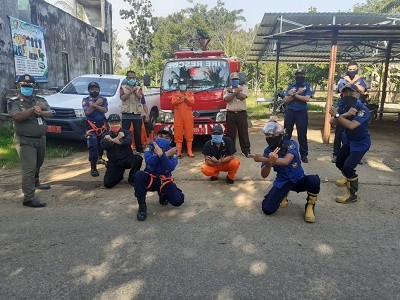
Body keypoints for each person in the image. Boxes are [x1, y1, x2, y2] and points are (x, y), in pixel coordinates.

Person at [252, 120, 320, 223]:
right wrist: (269, 163)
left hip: (299, 179)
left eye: (273, 136)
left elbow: (286, 161)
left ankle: (310, 205)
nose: (270, 139)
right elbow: (264, 175)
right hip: (283, 181)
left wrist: (264, 159)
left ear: (280, 135)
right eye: (267, 136)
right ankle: (283, 194)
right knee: (267, 209)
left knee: (314, 180)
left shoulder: (290, 144)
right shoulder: (267, 151)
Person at [8, 74, 54, 207]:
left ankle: (36, 182)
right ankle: (28, 198)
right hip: (25, 140)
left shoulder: (40, 100)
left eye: (29, 86)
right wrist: (33, 110)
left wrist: (41, 112)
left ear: (33, 87)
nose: (27, 87)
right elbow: (16, 116)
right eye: (24, 85)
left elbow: (52, 113)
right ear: (18, 86)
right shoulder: (14, 102)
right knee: (29, 168)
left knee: (38, 163)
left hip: (41, 138)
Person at [329, 84, 371, 204]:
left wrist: (338, 115)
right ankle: (348, 178)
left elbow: (351, 126)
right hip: (348, 140)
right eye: (345, 94)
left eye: (351, 93)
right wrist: (345, 114)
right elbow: (332, 122)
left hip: (361, 143)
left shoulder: (363, 109)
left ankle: (352, 194)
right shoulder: (343, 105)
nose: (348, 96)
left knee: (348, 167)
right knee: (339, 162)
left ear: (358, 94)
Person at [133, 127, 184, 221]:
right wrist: (164, 154)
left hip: (164, 180)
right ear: (156, 136)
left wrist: (163, 155)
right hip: (151, 178)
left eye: (166, 137)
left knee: (178, 201)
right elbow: (149, 160)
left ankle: (163, 194)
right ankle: (142, 208)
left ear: (171, 140)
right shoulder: (150, 146)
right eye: (161, 136)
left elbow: (170, 166)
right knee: (139, 175)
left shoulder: (173, 150)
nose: (163, 139)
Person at [332, 61, 368, 163]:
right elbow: (341, 89)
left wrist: (351, 83)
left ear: (357, 69)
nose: (352, 71)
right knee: (339, 131)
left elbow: (362, 89)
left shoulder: (360, 80)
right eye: (350, 69)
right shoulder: (342, 79)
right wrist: (354, 84)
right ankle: (336, 154)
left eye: (354, 69)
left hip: (357, 109)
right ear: (347, 70)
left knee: (356, 132)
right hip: (344, 107)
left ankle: (356, 156)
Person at [100, 114, 143, 188]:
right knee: (108, 184)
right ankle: (119, 175)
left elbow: (127, 142)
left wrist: (111, 140)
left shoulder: (126, 132)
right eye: (112, 123)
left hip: (127, 159)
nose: (114, 124)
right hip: (114, 162)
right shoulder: (105, 135)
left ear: (120, 123)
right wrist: (117, 138)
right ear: (108, 124)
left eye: (116, 122)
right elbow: (104, 146)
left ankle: (132, 178)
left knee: (138, 158)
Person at [283, 69, 313, 163]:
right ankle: (284, 151)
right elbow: (285, 100)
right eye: (297, 75)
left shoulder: (306, 86)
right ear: (295, 76)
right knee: (286, 133)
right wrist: (296, 94)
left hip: (301, 112)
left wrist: (294, 95)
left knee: (302, 134)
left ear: (304, 76)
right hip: (290, 111)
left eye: (301, 75)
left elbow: (306, 98)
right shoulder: (291, 86)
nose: (299, 76)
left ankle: (304, 155)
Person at [119, 70, 149, 153]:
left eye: (133, 77)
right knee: (125, 132)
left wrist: (134, 91)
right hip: (126, 113)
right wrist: (130, 92)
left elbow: (140, 97)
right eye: (130, 77)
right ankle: (125, 149)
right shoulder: (123, 87)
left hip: (136, 114)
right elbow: (122, 98)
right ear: (127, 78)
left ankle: (139, 148)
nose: (131, 79)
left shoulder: (139, 88)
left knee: (137, 133)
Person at [82, 81, 108, 177]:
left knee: (105, 144)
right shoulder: (85, 100)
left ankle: (102, 159)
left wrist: (94, 105)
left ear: (99, 90)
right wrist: (96, 105)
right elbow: (87, 112)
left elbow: (105, 110)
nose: (94, 91)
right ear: (89, 90)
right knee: (92, 145)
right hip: (91, 126)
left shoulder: (103, 99)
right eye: (92, 89)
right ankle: (93, 167)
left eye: (96, 89)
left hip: (102, 125)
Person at [223, 72, 251, 157]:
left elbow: (242, 97)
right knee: (231, 134)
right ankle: (231, 151)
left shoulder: (244, 87)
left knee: (243, 132)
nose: (235, 81)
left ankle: (246, 151)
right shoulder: (226, 89)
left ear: (239, 80)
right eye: (233, 80)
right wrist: (236, 91)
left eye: (236, 79)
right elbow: (226, 99)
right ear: (230, 81)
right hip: (230, 113)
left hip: (241, 113)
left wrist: (233, 91)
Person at [171, 78, 195, 158]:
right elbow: (174, 102)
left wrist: (184, 99)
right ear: (179, 85)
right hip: (178, 117)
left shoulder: (190, 94)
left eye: (183, 84)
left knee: (189, 132)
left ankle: (189, 151)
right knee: (178, 134)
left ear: (186, 85)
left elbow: (192, 102)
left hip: (188, 117)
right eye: (181, 84)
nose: (182, 86)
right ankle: (178, 152)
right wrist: (183, 99)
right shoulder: (175, 94)